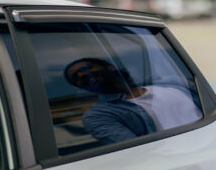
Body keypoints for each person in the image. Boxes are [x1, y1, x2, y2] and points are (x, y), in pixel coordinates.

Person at [64, 57, 201, 145]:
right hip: (187, 168)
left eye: (85, 68)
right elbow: (139, 153)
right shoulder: (98, 115)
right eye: (76, 78)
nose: (81, 74)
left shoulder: (170, 81)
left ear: (110, 67)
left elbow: (213, 104)